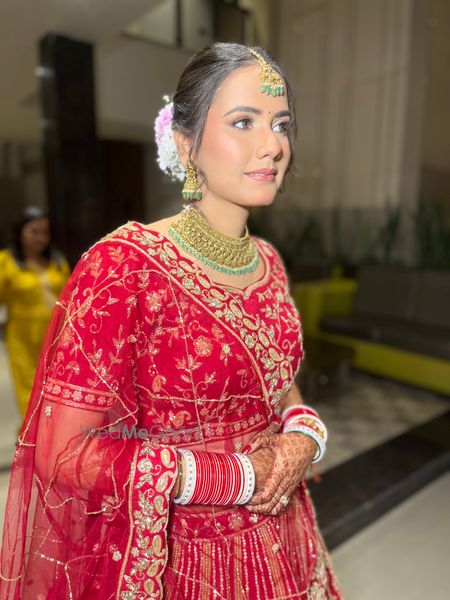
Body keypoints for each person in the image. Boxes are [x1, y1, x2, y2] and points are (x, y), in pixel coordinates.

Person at [0, 44, 342, 599]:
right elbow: (61, 452)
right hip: (179, 558)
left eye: (281, 124)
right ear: (186, 144)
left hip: (285, 538)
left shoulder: (269, 263)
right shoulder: (124, 266)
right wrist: (234, 477)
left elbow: (275, 384)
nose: (273, 144)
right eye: (244, 122)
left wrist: (304, 434)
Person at [0, 207, 70, 418]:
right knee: (29, 392)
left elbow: (71, 295)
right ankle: (32, 435)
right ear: (20, 232)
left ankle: (52, 434)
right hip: (22, 340)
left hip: (57, 336)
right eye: (34, 232)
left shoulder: (57, 261)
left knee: (57, 389)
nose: (40, 238)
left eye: (44, 233)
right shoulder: (6, 262)